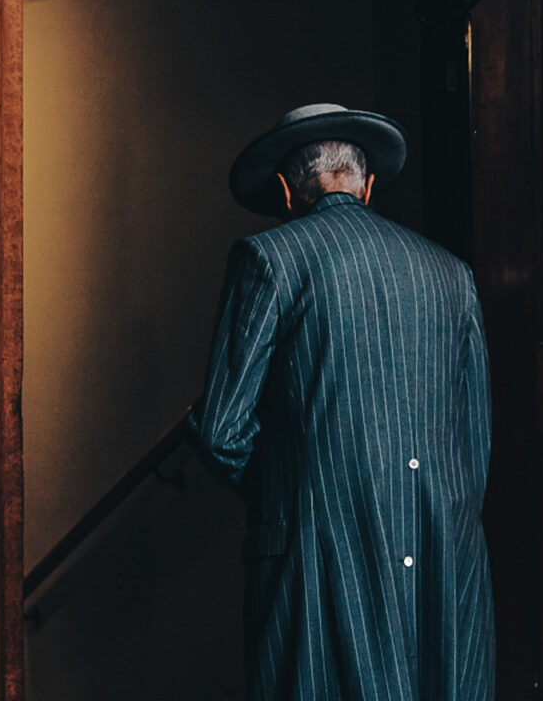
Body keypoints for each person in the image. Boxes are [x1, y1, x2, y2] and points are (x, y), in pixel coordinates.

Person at [190, 103, 495, 701]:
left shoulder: (270, 259)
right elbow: (474, 441)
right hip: (445, 552)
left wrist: (300, 491)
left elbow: (220, 430)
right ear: (368, 184)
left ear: (285, 189)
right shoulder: (452, 274)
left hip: (317, 559)